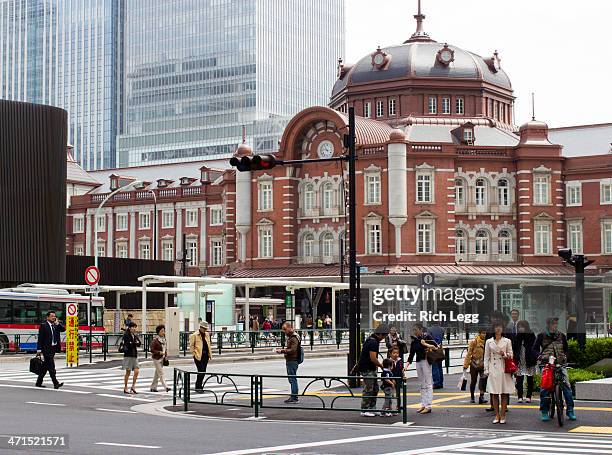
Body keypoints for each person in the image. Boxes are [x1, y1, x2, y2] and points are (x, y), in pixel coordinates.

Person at [534, 317, 576, 421]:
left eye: (556, 324)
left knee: (567, 387)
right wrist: (539, 356)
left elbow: (566, 349)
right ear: (548, 325)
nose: (555, 326)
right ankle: (544, 411)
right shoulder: (541, 335)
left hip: (560, 364)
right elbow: (534, 349)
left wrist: (565, 357)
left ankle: (570, 410)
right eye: (553, 324)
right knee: (545, 388)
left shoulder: (562, 335)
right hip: (546, 364)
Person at [484, 322, 514, 424]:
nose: (498, 329)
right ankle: (496, 415)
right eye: (496, 327)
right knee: (494, 392)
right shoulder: (489, 341)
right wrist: (486, 369)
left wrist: (505, 354)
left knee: (504, 392)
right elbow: (486, 357)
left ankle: (503, 414)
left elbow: (511, 355)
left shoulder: (507, 341)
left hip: (504, 368)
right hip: (493, 368)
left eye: (500, 327)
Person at [358, 324, 389, 417]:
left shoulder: (372, 339)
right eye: (384, 336)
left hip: (370, 367)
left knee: (375, 388)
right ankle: (364, 409)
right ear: (380, 334)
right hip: (367, 368)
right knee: (369, 389)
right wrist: (381, 366)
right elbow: (373, 358)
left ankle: (372, 408)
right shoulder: (373, 342)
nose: (384, 338)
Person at [407, 322, 438, 414]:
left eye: (416, 330)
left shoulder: (427, 337)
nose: (414, 331)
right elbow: (411, 354)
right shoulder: (414, 340)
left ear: (421, 329)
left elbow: (436, 347)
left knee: (428, 383)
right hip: (418, 362)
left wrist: (426, 344)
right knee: (422, 384)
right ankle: (423, 404)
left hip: (426, 361)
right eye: (413, 330)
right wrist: (406, 365)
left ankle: (428, 405)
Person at [35, 311, 65, 389]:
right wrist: (39, 349)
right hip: (46, 349)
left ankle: (38, 382)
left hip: (53, 348)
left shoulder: (55, 325)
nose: (54, 317)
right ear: (47, 317)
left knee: (45, 366)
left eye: (54, 316)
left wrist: (58, 323)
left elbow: (63, 329)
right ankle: (55, 383)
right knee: (51, 366)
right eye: (52, 316)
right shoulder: (44, 326)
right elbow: (40, 338)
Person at [275, 321, 301, 403]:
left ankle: (294, 397)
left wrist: (282, 351)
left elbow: (293, 350)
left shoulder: (293, 337)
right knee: (292, 379)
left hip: (292, 360)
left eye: (285, 329)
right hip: (291, 360)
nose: (284, 331)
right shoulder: (292, 337)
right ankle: (293, 396)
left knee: (292, 379)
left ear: (290, 328)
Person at [512, 320, 537, 403]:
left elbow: (534, 347)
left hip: (529, 359)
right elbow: (514, 348)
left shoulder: (531, 335)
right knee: (519, 379)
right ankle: (520, 396)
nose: (521, 328)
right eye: (519, 327)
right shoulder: (517, 336)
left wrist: (534, 357)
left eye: (522, 327)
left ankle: (528, 396)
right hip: (520, 360)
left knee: (530, 378)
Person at [463, 329, 487, 404]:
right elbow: (469, 353)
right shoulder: (474, 342)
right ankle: (472, 397)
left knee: (483, 380)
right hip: (474, 364)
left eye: (485, 333)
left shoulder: (487, 342)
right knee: (473, 381)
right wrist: (465, 365)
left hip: (483, 364)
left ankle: (481, 396)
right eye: (483, 333)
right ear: (479, 333)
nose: (484, 335)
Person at [189, 321, 213, 393]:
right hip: (198, 356)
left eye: (206, 329)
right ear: (200, 328)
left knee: (203, 371)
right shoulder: (195, 335)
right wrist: (194, 354)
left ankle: (199, 386)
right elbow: (191, 346)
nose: (205, 330)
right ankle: (198, 386)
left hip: (205, 356)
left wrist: (209, 354)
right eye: (204, 328)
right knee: (201, 371)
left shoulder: (207, 335)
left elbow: (208, 344)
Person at [122, 322, 141, 394]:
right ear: (129, 328)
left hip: (134, 355)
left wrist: (133, 343)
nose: (134, 328)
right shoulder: (126, 335)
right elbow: (129, 345)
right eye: (132, 327)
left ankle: (133, 386)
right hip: (128, 355)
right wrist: (134, 343)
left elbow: (139, 343)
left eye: (135, 327)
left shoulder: (135, 335)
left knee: (137, 371)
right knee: (128, 372)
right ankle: (125, 387)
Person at [150, 324, 170, 393]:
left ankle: (153, 387)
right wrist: (159, 352)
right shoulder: (155, 340)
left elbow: (165, 348)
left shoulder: (164, 340)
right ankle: (166, 387)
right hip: (156, 359)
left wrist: (166, 356)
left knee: (157, 374)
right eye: (162, 331)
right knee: (161, 373)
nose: (163, 332)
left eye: (164, 331)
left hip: (162, 358)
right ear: (158, 332)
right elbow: (152, 350)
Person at [427, 323, 445, 389]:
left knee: (434, 367)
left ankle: (436, 383)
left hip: (433, 349)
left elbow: (429, 339)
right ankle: (441, 382)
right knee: (440, 367)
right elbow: (441, 338)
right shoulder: (442, 329)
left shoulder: (429, 329)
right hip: (440, 349)